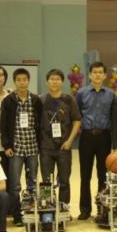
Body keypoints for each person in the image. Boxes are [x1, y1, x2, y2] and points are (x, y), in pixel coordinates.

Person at [0, 68, 42, 225]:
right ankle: (17, 216)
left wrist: (41, 144)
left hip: (32, 147)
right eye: (18, 80)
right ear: (14, 81)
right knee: (14, 185)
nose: (22, 82)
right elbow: (3, 125)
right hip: (16, 148)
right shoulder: (8, 101)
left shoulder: (36, 100)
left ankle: (31, 213)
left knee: (32, 182)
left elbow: (40, 124)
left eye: (24, 79)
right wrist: (6, 145)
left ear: (28, 81)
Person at [75, 61, 115, 220]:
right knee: (85, 175)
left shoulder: (111, 94)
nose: (97, 75)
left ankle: (102, 207)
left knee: (103, 175)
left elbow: (114, 117)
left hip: (104, 137)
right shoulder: (81, 93)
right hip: (86, 137)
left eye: (100, 72)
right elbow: (76, 114)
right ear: (90, 75)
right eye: (95, 72)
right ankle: (85, 209)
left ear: (105, 75)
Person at [39, 68, 81, 207]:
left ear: (62, 82)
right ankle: (46, 208)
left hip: (64, 147)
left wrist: (69, 141)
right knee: (46, 182)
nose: (54, 82)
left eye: (57, 79)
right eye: (52, 79)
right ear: (47, 82)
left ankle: (64, 208)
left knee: (64, 181)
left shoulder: (69, 100)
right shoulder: (41, 100)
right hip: (46, 147)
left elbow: (77, 121)